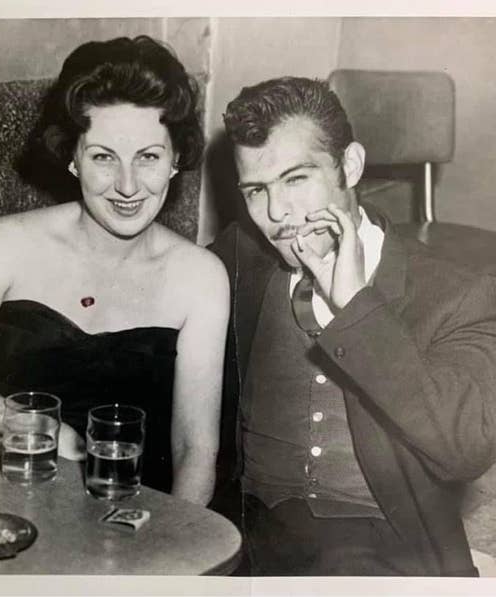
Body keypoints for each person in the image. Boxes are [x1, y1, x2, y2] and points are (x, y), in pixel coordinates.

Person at [0, 36, 229, 505]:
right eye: (103, 156)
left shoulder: (201, 277)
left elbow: (194, 452)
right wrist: (36, 426)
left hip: (128, 515)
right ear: (72, 157)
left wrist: (172, 559)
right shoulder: (8, 243)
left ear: (175, 160)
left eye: (148, 156)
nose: (127, 186)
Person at [210, 76, 496, 574]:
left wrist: (356, 306)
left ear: (351, 165)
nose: (278, 213)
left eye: (297, 179)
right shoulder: (242, 256)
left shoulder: (456, 292)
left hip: (382, 545)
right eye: (257, 190)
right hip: (249, 532)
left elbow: (464, 449)